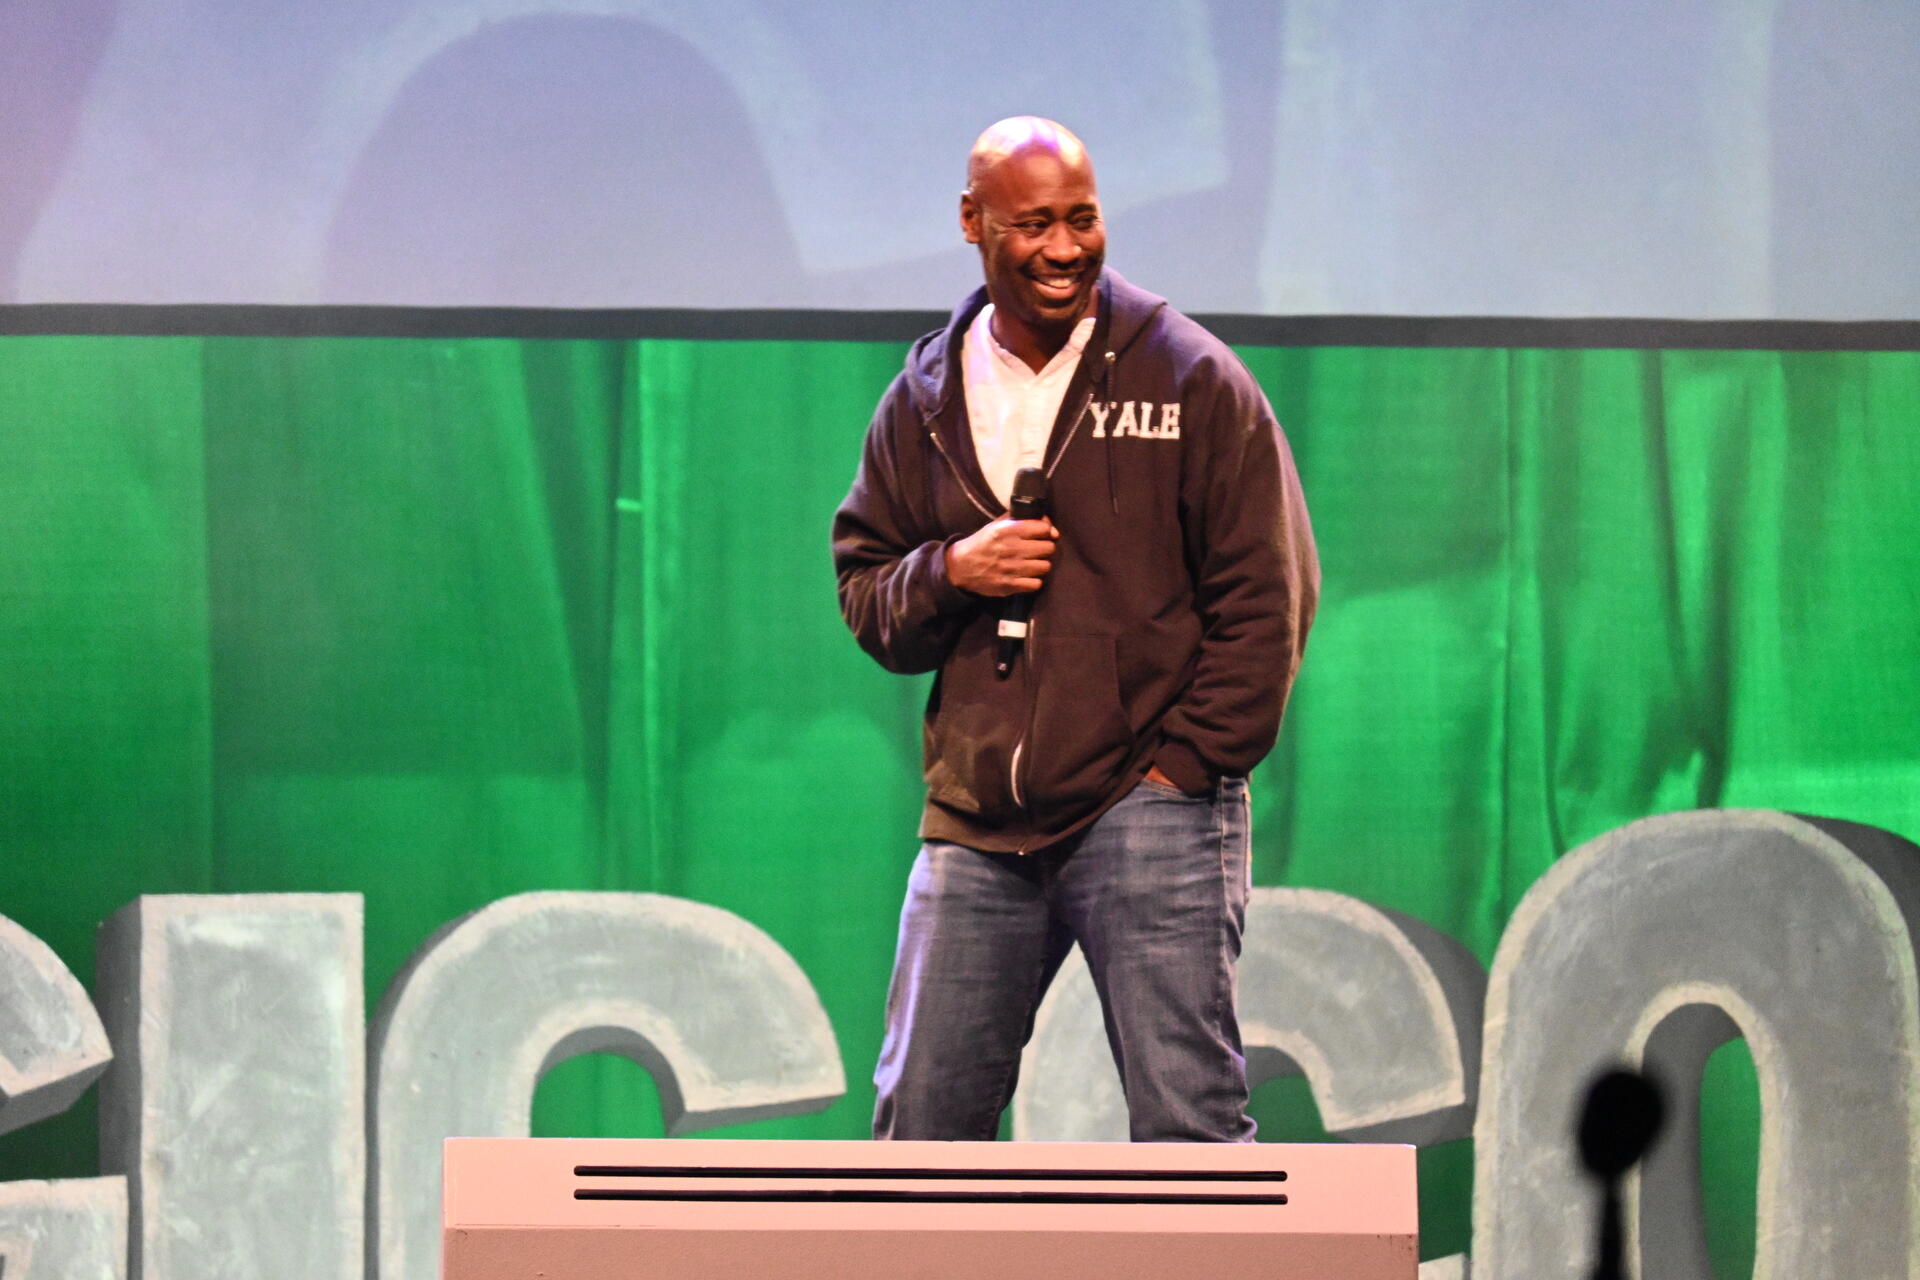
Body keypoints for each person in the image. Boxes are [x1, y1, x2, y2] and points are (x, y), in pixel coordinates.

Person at [832, 117, 1318, 1142]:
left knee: (1188, 1126)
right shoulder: (925, 396)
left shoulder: (1189, 376)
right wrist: (951, 571)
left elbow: (1268, 596)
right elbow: (868, 591)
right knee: (919, 1126)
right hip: (977, 818)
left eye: (1083, 220)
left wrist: (1185, 767)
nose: (1065, 248)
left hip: (1148, 803)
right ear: (973, 222)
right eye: (1034, 224)